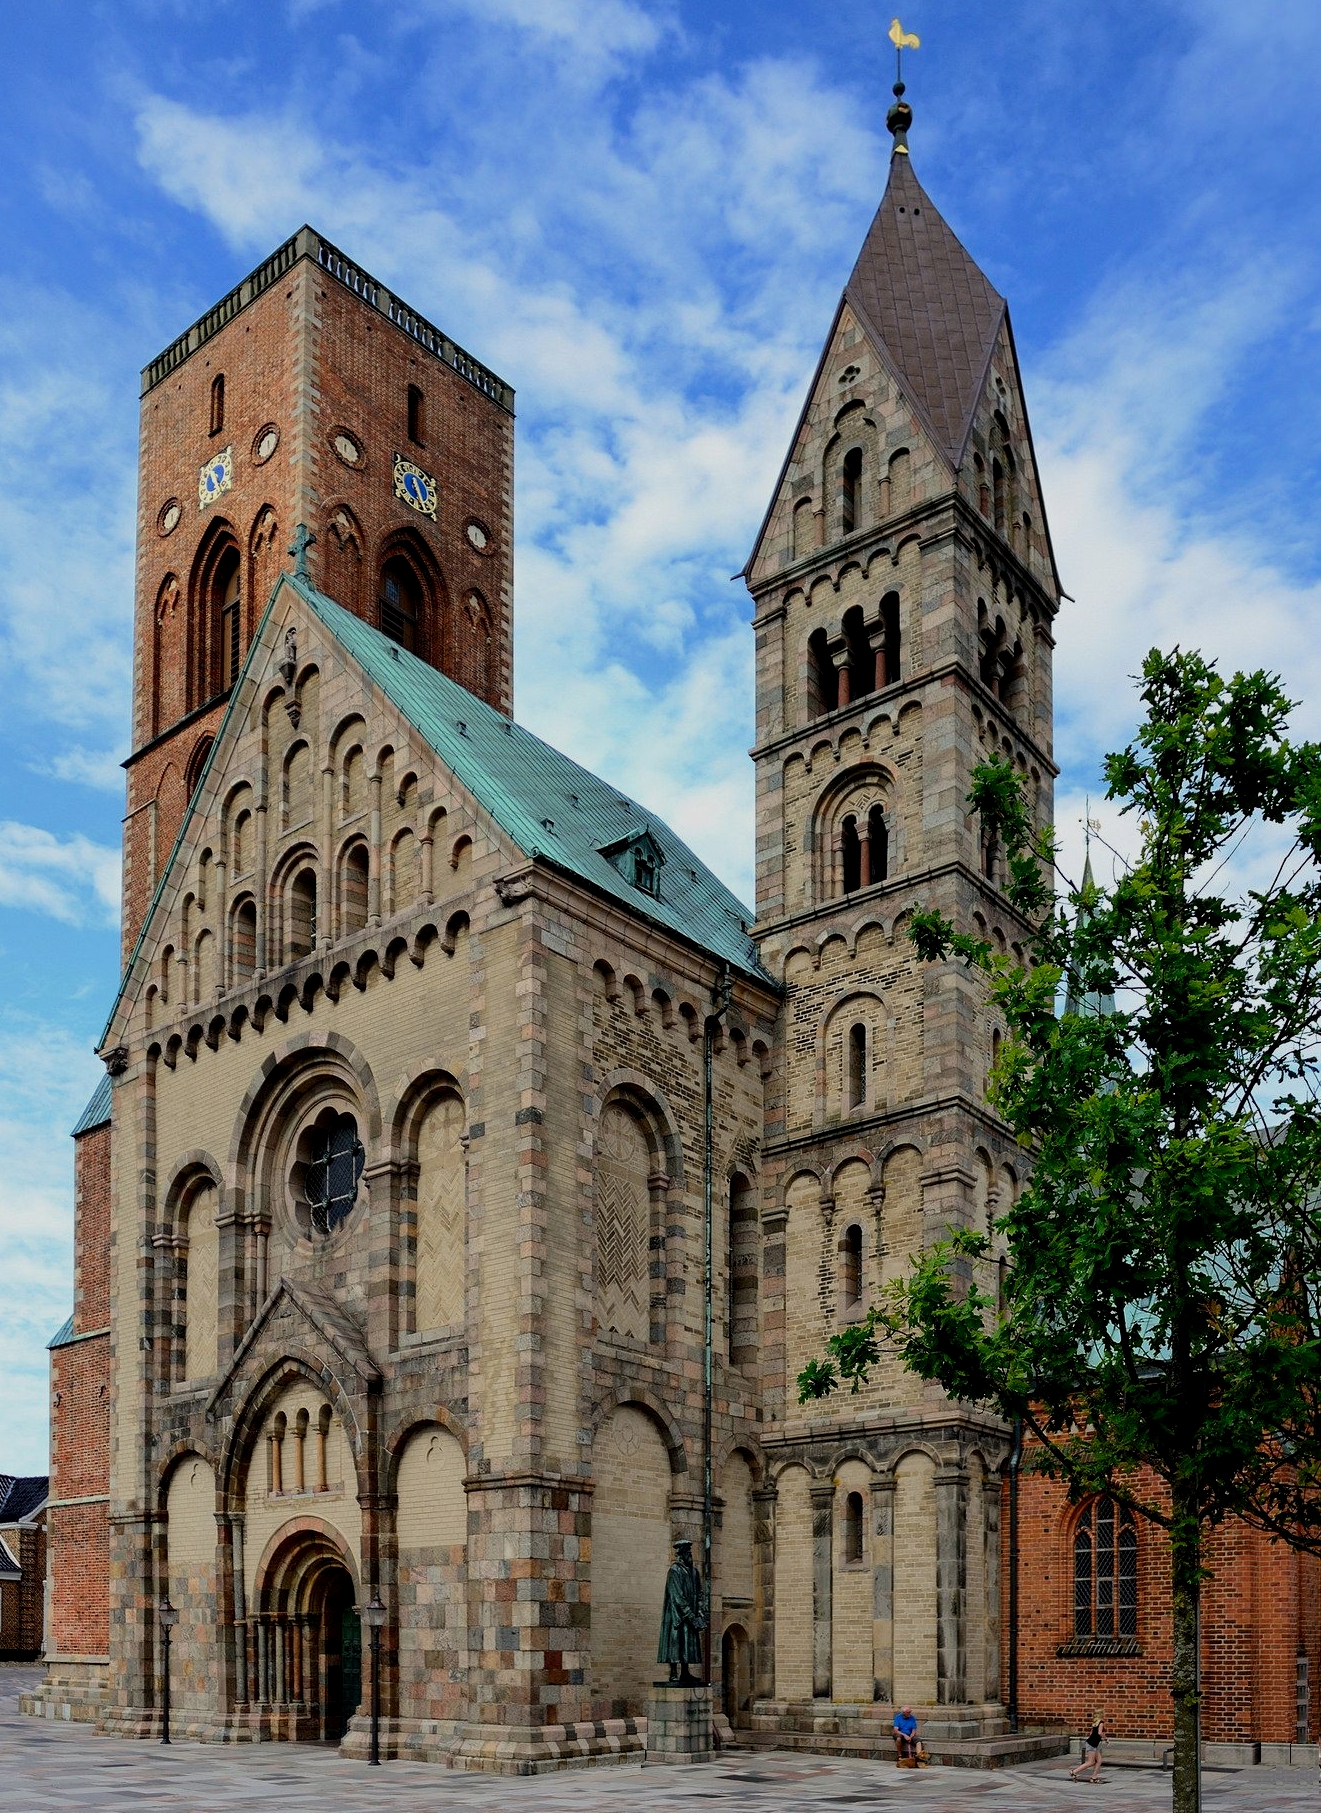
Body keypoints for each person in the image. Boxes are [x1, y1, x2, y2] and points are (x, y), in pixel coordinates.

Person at [1069, 1713, 1106, 1783]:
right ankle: (1074, 1772)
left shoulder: (1095, 1723)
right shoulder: (1101, 1723)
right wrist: (1106, 1739)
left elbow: (1091, 1733)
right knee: (1091, 1762)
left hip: (1093, 1744)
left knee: (1099, 1760)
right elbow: (1100, 1733)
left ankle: (1094, 1777)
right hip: (1092, 1744)